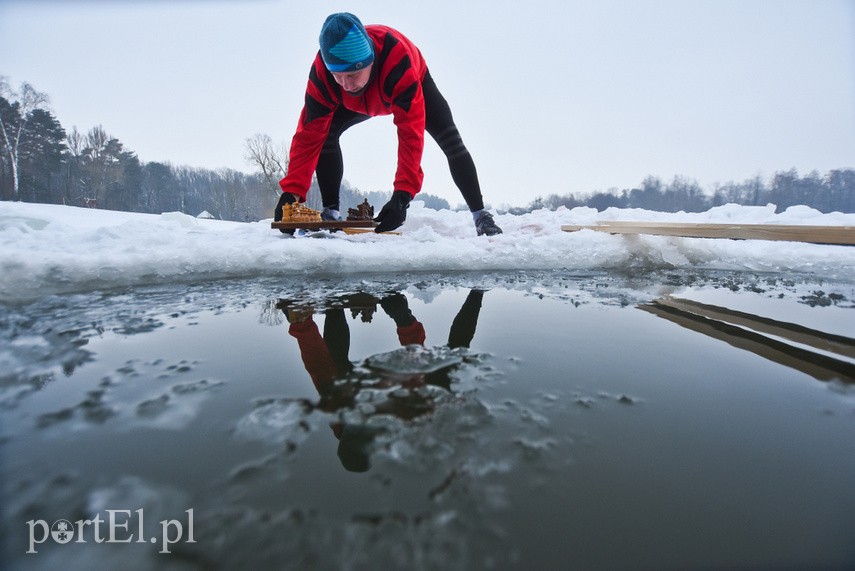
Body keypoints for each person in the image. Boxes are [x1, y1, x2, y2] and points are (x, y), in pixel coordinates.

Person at [275, 12, 503, 236]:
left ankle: (481, 216)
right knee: (325, 133)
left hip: (409, 82)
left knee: (451, 141)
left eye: (353, 75)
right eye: (338, 75)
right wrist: (292, 193)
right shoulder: (323, 73)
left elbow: (410, 134)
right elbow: (308, 135)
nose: (345, 84)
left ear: (369, 61)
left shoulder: (397, 61)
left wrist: (402, 195)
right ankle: (331, 212)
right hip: (357, 102)